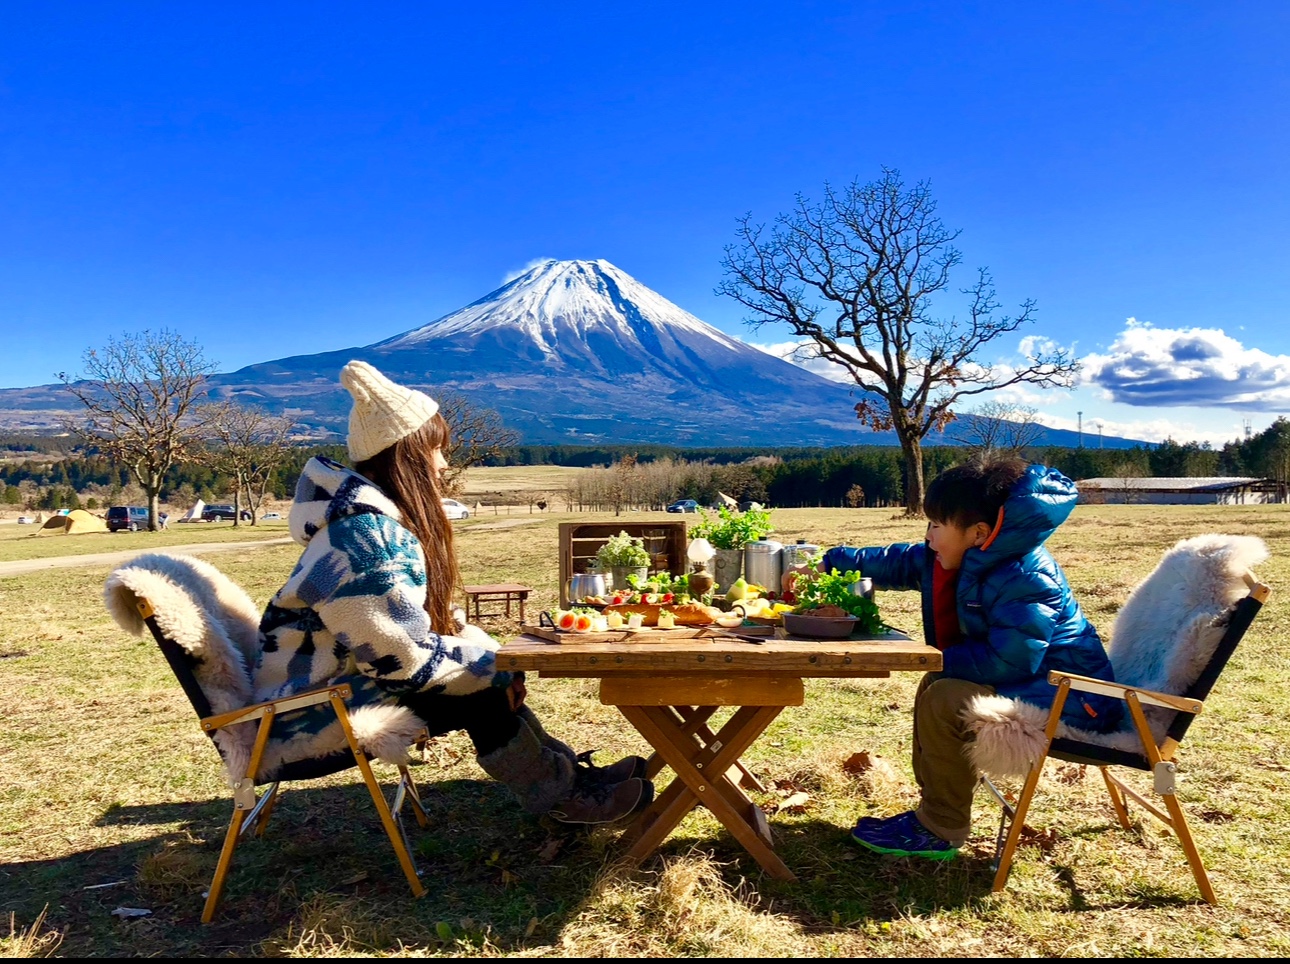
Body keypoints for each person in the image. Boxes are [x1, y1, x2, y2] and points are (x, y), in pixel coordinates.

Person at [253, 360, 653, 824]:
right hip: (306, 712)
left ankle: (571, 781)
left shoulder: (371, 527)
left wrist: (493, 662)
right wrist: (495, 670)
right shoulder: (362, 538)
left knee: (487, 684)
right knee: (481, 695)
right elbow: (399, 658)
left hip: (339, 688)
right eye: (436, 450)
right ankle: (562, 797)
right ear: (406, 454)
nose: (444, 463)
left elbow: (409, 626)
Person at [784, 457, 1122, 859]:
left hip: (1076, 701)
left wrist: (931, 658)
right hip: (1035, 684)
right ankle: (935, 809)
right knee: (938, 686)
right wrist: (828, 563)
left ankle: (941, 828)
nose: (928, 537)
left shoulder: (1027, 577)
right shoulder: (962, 556)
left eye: (936, 526)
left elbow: (1011, 661)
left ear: (979, 533)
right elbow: (894, 561)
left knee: (946, 697)